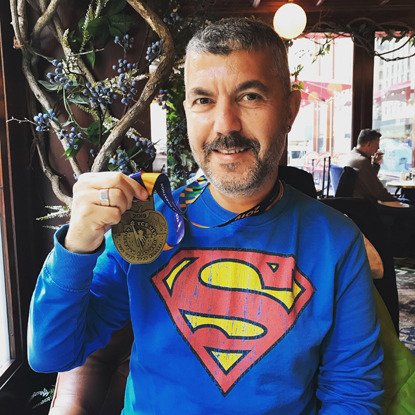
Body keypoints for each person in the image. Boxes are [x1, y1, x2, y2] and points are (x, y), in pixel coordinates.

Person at [28, 18, 384, 414]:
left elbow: (353, 395)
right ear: (187, 111)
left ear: (290, 109)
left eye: (250, 97)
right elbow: (52, 354)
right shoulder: (145, 224)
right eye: (203, 100)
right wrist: (76, 246)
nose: (225, 125)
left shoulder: (336, 241)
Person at [344, 128, 398, 203]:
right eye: (377, 144)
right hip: (366, 205)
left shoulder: (352, 155)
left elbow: (368, 179)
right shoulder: (362, 161)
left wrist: (375, 163)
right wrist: (396, 201)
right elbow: (378, 191)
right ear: (369, 144)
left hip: (353, 203)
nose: (378, 147)